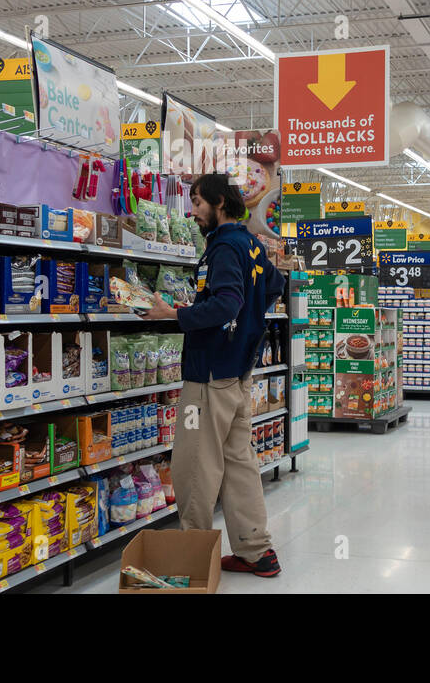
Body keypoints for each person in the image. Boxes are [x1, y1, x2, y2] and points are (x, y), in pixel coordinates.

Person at [144, 173, 286, 577]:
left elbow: (227, 303)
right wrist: (247, 333)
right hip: (238, 375)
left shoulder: (224, 247)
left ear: (220, 202)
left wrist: (175, 315)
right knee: (238, 462)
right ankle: (256, 551)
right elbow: (274, 285)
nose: (193, 212)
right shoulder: (251, 245)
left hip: (209, 378)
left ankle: (193, 560)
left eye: (198, 203)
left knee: (194, 467)